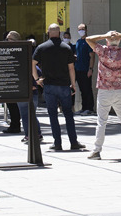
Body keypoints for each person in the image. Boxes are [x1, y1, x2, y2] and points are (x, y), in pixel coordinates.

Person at [85, 30, 121, 160]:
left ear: (107, 41)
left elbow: (88, 39)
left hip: (104, 91)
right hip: (118, 90)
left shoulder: (102, 51)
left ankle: (97, 150)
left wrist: (105, 35)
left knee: (101, 122)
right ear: (119, 41)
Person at [32, 23, 86, 151]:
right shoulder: (66, 48)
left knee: (52, 114)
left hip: (49, 85)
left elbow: (32, 63)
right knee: (68, 113)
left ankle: (57, 143)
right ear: (60, 33)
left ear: (48, 32)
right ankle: (73, 142)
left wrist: (37, 79)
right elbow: (71, 68)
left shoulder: (41, 47)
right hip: (64, 85)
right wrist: (73, 84)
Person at [6, 31, 42, 143]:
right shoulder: (22, 52)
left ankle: (29, 135)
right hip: (24, 87)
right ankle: (37, 134)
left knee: (26, 114)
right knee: (29, 113)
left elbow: (31, 69)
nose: (7, 41)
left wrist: (33, 82)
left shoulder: (22, 53)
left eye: (9, 39)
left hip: (26, 88)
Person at [2, 31, 22, 134]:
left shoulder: (20, 50)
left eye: (9, 39)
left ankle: (16, 125)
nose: (7, 41)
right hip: (8, 80)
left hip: (16, 82)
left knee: (15, 105)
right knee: (10, 105)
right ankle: (14, 124)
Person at [75, 23, 95, 115]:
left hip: (86, 69)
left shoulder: (89, 41)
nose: (81, 31)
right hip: (78, 69)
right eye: (79, 29)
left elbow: (92, 56)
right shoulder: (78, 42)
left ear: (86, 30)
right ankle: (84, 107)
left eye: (82, 29)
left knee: (87, 89)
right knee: (82, 89)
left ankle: (89, 108)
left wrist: (90, 69)